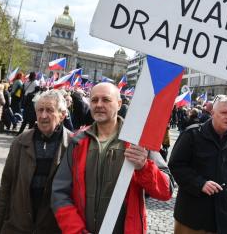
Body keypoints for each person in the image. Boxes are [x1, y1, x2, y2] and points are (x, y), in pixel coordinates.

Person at [51, 83, 173, 234]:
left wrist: (144, 167)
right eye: (94, 100)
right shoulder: (77, 141)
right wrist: (75, 230)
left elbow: (166, 191)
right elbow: (59, 192)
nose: (99, 105)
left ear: (119, 103)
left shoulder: (139, 140)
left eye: (106, 100)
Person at [0, 90, 72, 234]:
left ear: (62, 115)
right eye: (40, 110)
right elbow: (5, 189)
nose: (43, 115)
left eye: (49, 110)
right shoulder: (20, 142)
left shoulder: (73, 145)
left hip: (53, 228)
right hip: (17, 227)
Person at [168, 95, 227, 234]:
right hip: (192, 217)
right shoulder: (192, 134)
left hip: (224, 219)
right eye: (224, 112)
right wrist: (200, 184)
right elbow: (176, 165)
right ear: (212, 113)